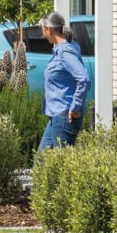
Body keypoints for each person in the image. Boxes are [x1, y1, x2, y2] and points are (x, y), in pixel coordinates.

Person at [37, 11, 91, 152]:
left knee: (61, 163)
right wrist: (44, 21)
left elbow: (84, 79)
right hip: (56, 115)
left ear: (48, 30)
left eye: (43, 29)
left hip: (64, 114)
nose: (42, 33)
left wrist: (75, 107)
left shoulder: (65, 53)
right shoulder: (65, 46)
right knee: (41, 162)